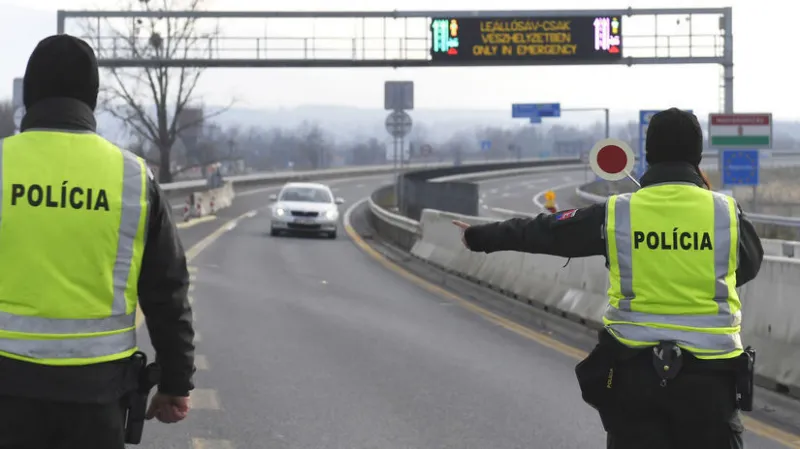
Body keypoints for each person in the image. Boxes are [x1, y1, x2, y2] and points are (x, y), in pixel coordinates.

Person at [453, 108, 764, 449]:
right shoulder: (726, 213)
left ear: (648, 153)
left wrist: (480, 237)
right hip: (712, 386)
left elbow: (545, 232)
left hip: (635, 378)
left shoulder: (619, 212)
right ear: (699, 156)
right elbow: (748, 266)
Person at [0, 34, 196, 448]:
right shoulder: (133, 179)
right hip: (96, 398)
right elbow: (167, 291)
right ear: (92, 98)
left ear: (29, 95)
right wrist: (176, 382)